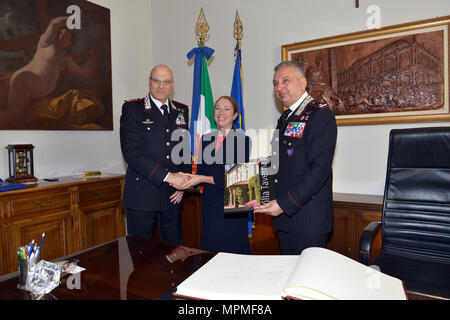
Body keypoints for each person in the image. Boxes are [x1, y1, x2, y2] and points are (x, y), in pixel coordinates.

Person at [254, 61, 337, 255]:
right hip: (284, 217)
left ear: (303, 82)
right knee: (288, 279)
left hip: (307, 219)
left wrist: (284, 204)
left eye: (285, 80)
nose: (279, 87)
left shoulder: (319, 114)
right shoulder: (287, 118)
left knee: (308, 282)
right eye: (275, 83)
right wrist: (265, 164)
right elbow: (289, 161)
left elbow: (318, 170)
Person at [120, 64, 191, 245]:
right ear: (149, 82)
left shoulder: (181, 111)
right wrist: (169, 177)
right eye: (157, 81)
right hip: (142, 196)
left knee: (174, 253)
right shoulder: (133, 109)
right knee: (141, 255)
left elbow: (183, 151)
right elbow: (131, 153)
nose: (161, 86)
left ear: (172, 85)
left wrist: (183, 184)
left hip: (172, 197)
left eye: (166, 82)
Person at [177, 96, 251, 254]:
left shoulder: (242, 140)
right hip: (209, 205)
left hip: (232, 205)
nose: (221, 112)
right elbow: (201, 172)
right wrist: (185, 179)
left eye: (226, 108)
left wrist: (201, 178)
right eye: (217, 108)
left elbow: (232, 177)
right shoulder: (206, 140)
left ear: (235, 115)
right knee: (210, 252)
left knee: (232, 253)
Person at [1, 16, 99, 127]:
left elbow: (87, 76)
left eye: (65, 34)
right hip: (26, 79)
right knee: (13, 116)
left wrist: (94, 58)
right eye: (60, 33)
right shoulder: (46, 44)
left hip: (35, 91)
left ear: (70, 42)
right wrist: (73, 17)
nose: (61, 36)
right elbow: (54, 23)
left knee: (17, 119)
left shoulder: (65, 58)